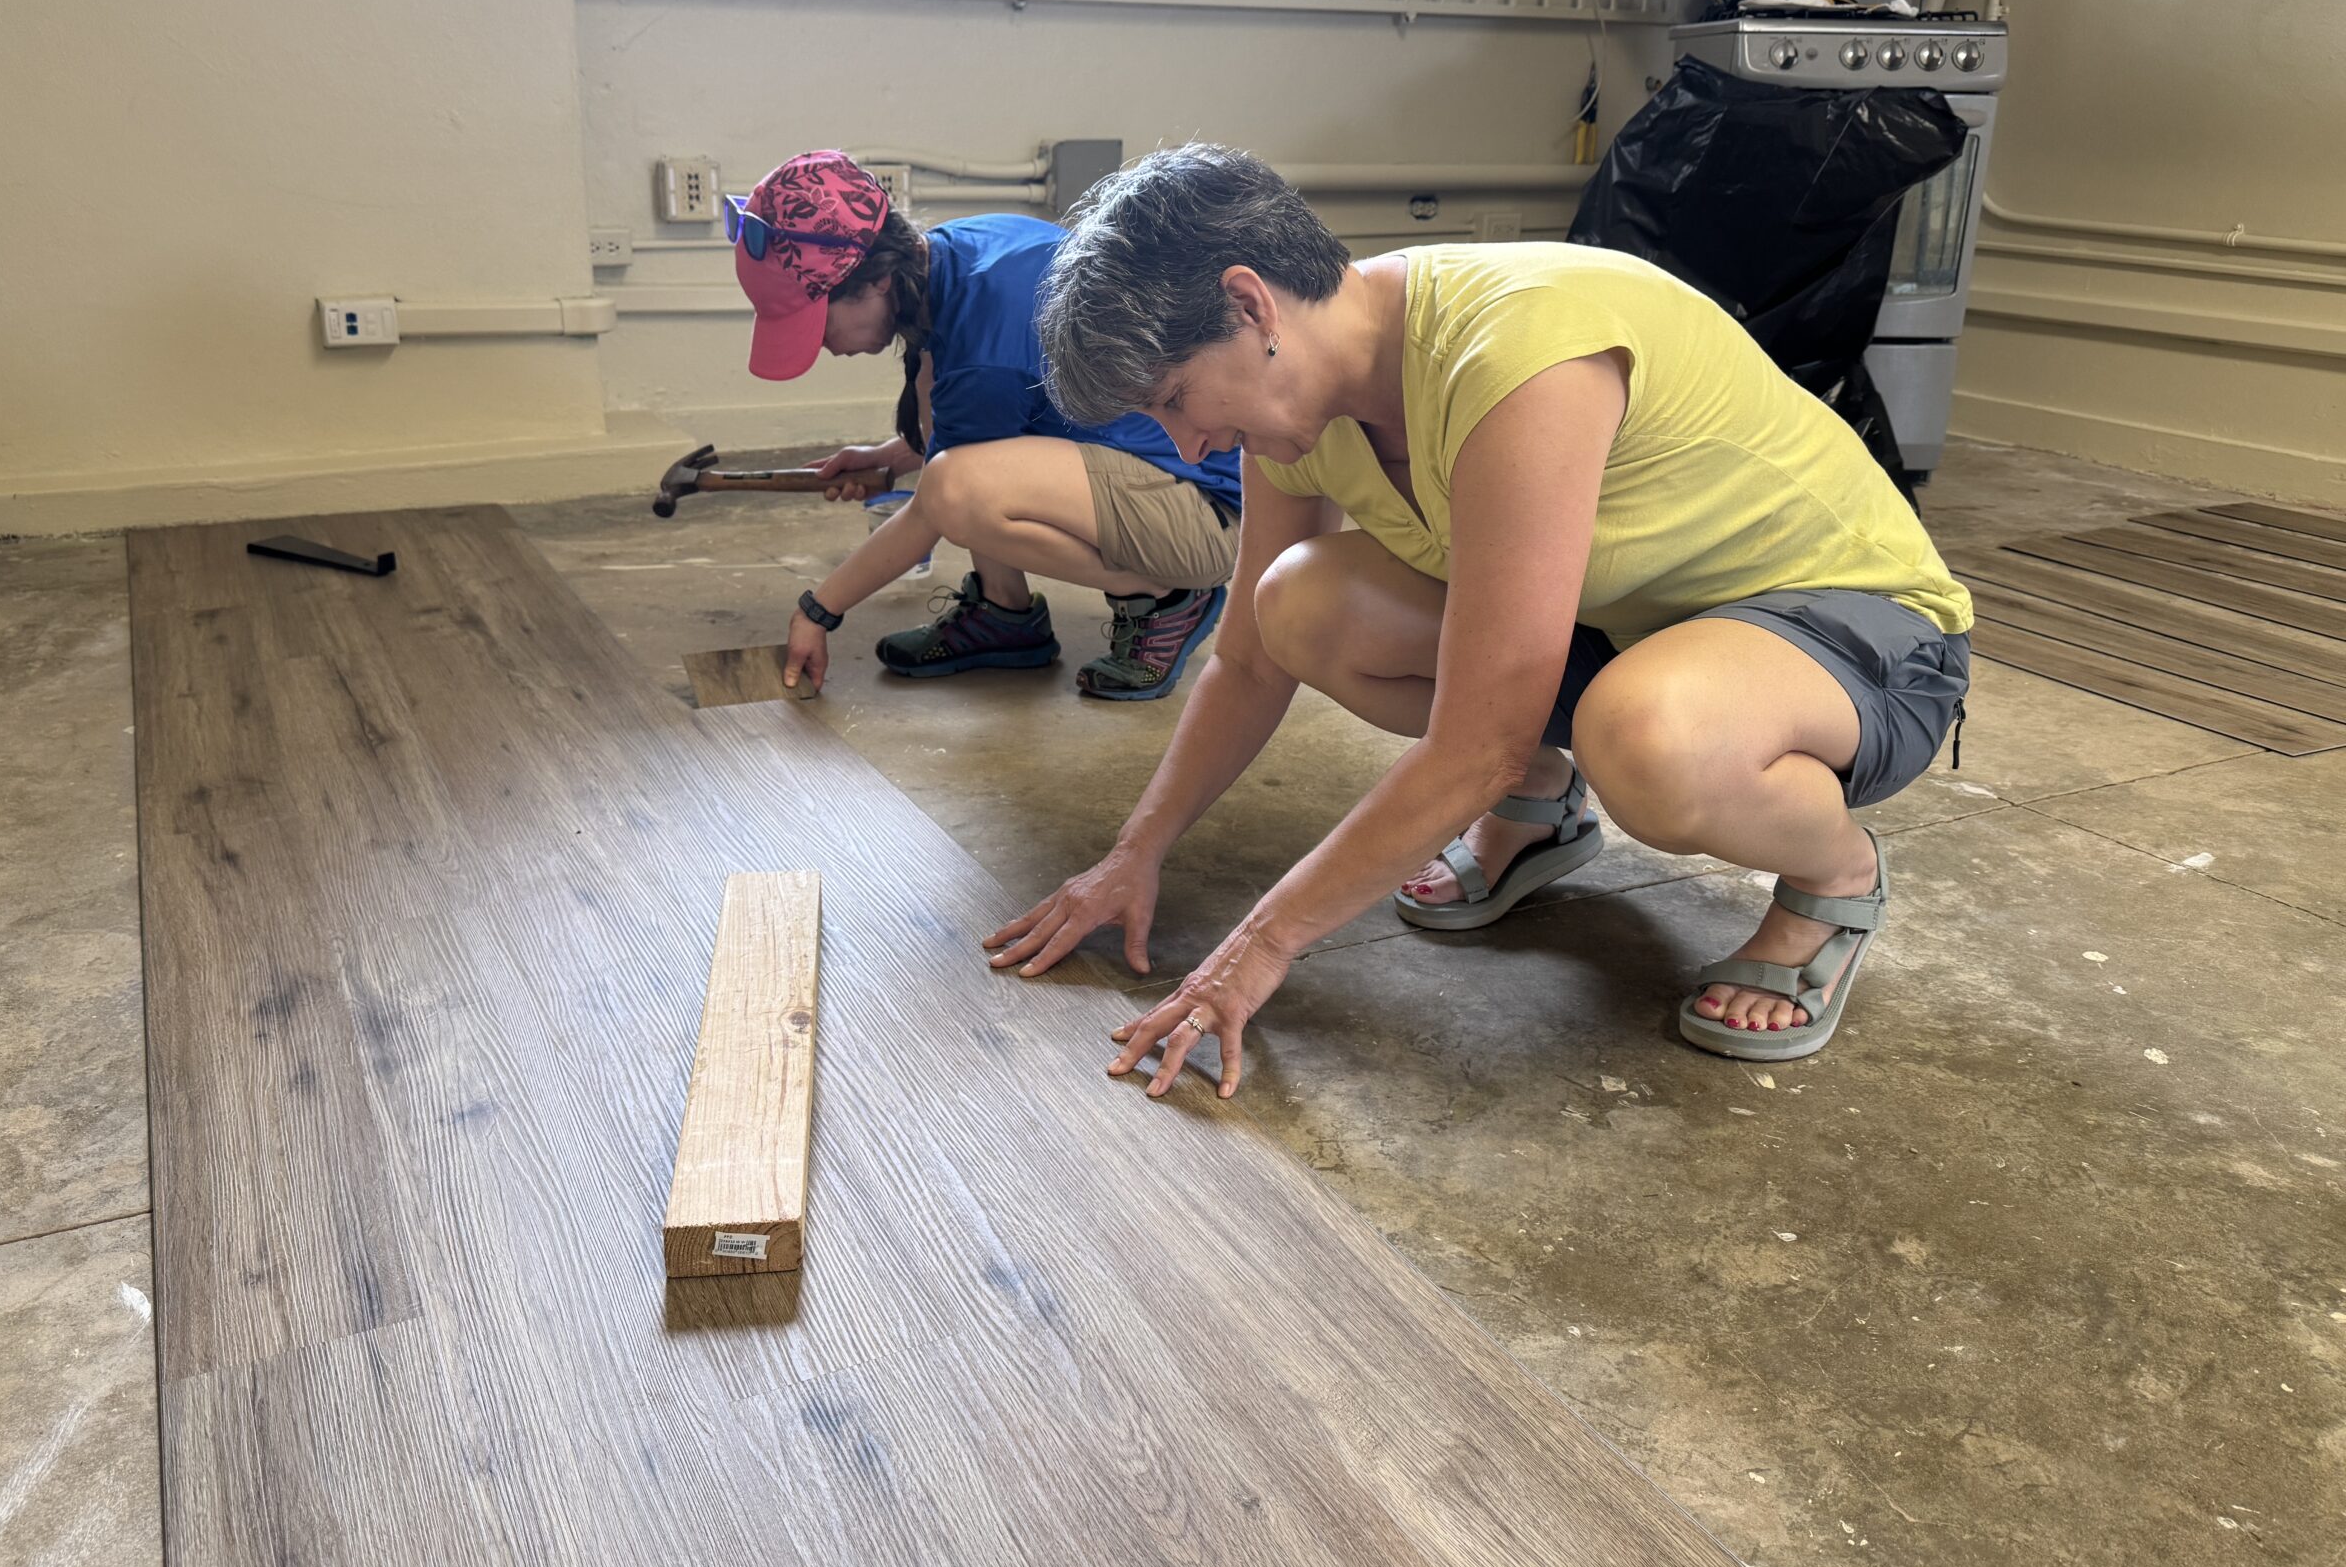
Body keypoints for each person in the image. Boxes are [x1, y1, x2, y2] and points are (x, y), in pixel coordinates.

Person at [983, 144, 1972, 1085]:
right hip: (1636, 628)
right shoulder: (1302, 412)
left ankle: (1834, 874)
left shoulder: (1516, 355)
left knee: (1648, 739)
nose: (1187, 443)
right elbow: (1243, 660)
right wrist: (1133, 851)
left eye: (1175, 399)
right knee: (1301, 603)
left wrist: (1261, 945)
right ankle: (1539, 814)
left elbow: (1476, 743)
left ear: (1250, 305)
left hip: (1858, 634)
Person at [729, 151, 1244, 701]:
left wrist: (819, 610)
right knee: (943, 413)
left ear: (876, 278)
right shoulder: (955, 254)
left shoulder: (984, 349)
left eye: (818, 322)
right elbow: (988, 415)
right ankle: (1005, 615)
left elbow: (938, 500)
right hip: (1165, 475)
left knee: (957, 487)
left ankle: (1167, 597)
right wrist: (894, 455)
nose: (823, 347)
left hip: (1200, 518)